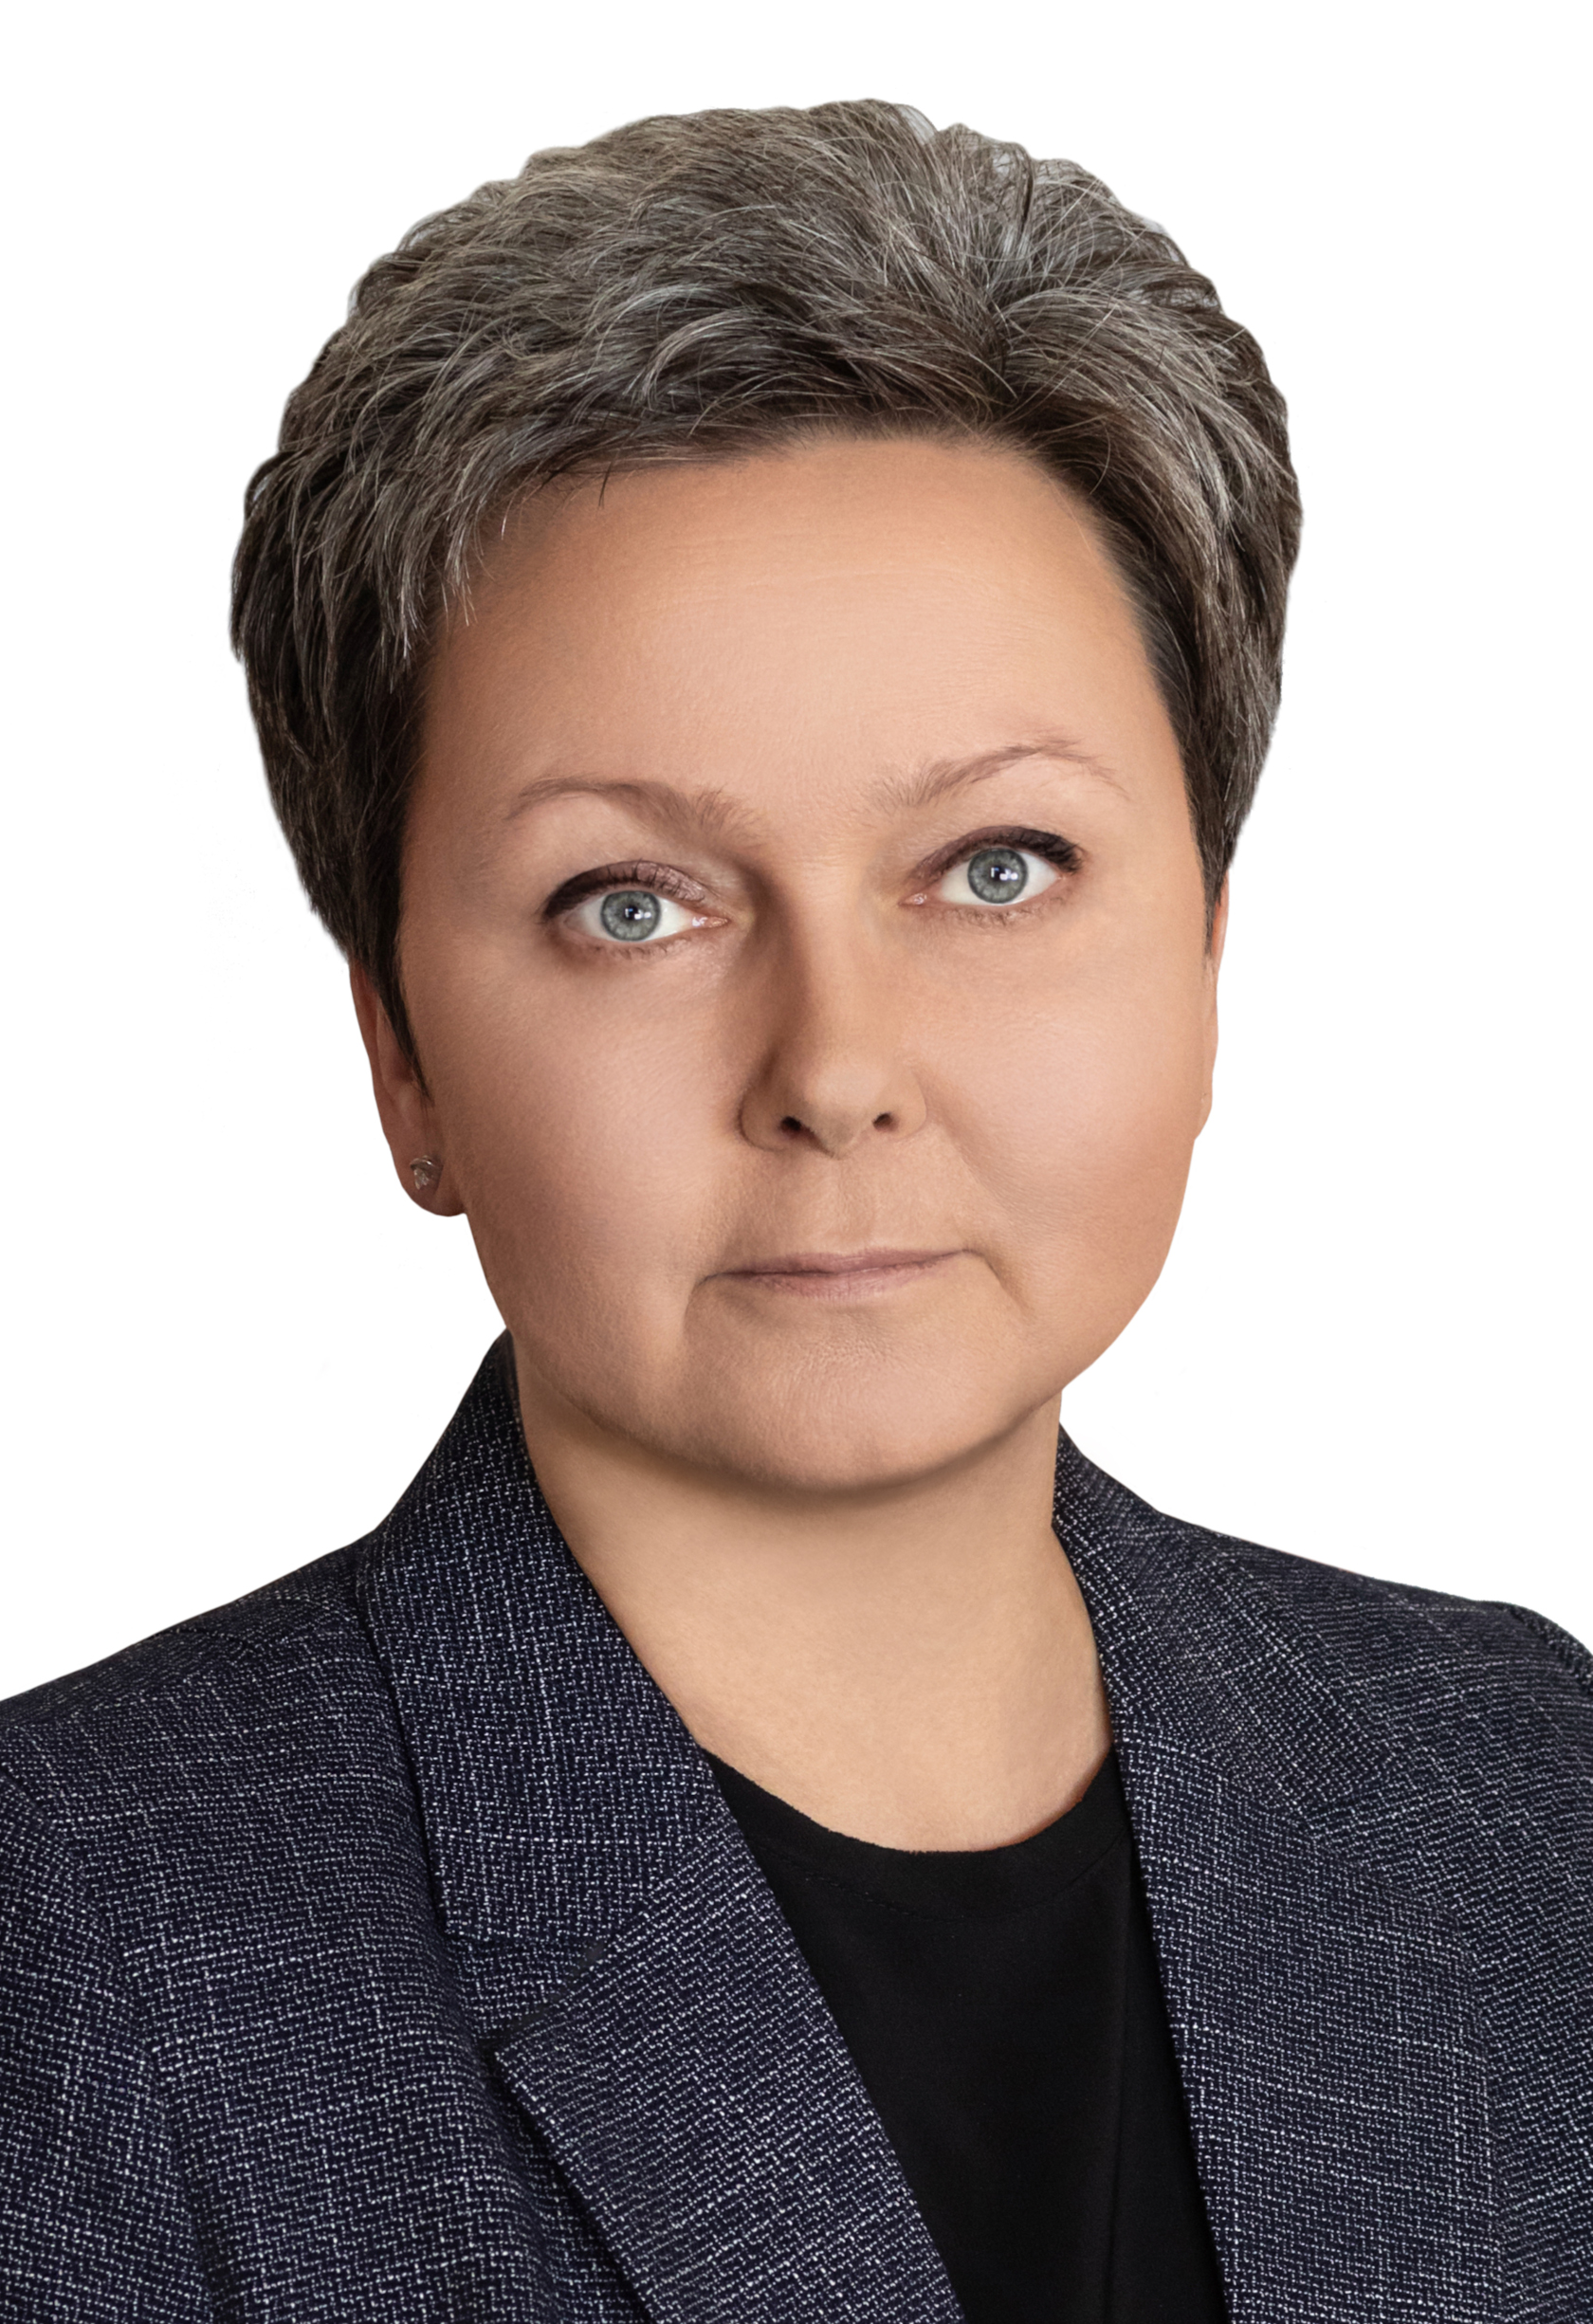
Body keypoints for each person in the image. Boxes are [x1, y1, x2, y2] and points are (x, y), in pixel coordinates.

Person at [0, 98, 1586, 2324]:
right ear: (402, 1053)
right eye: (630, 900)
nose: (836, 1064)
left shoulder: (1525, 1790)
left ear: (1210, 946)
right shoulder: (72, 1950)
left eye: (999, 866)